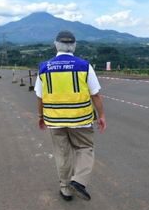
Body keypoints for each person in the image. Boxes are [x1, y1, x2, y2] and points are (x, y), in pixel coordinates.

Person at [35, 30, 106, 201]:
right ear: (74, 46)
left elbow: (40, 96)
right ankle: (79, 181)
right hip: (80, 119)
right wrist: (101, 115)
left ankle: (66, 189)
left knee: (62, 154)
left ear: (56, 45)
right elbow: (95, 94)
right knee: (85, 148)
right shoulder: (84, 66)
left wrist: (41, 116)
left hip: (55, 120)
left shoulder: (45, 67)